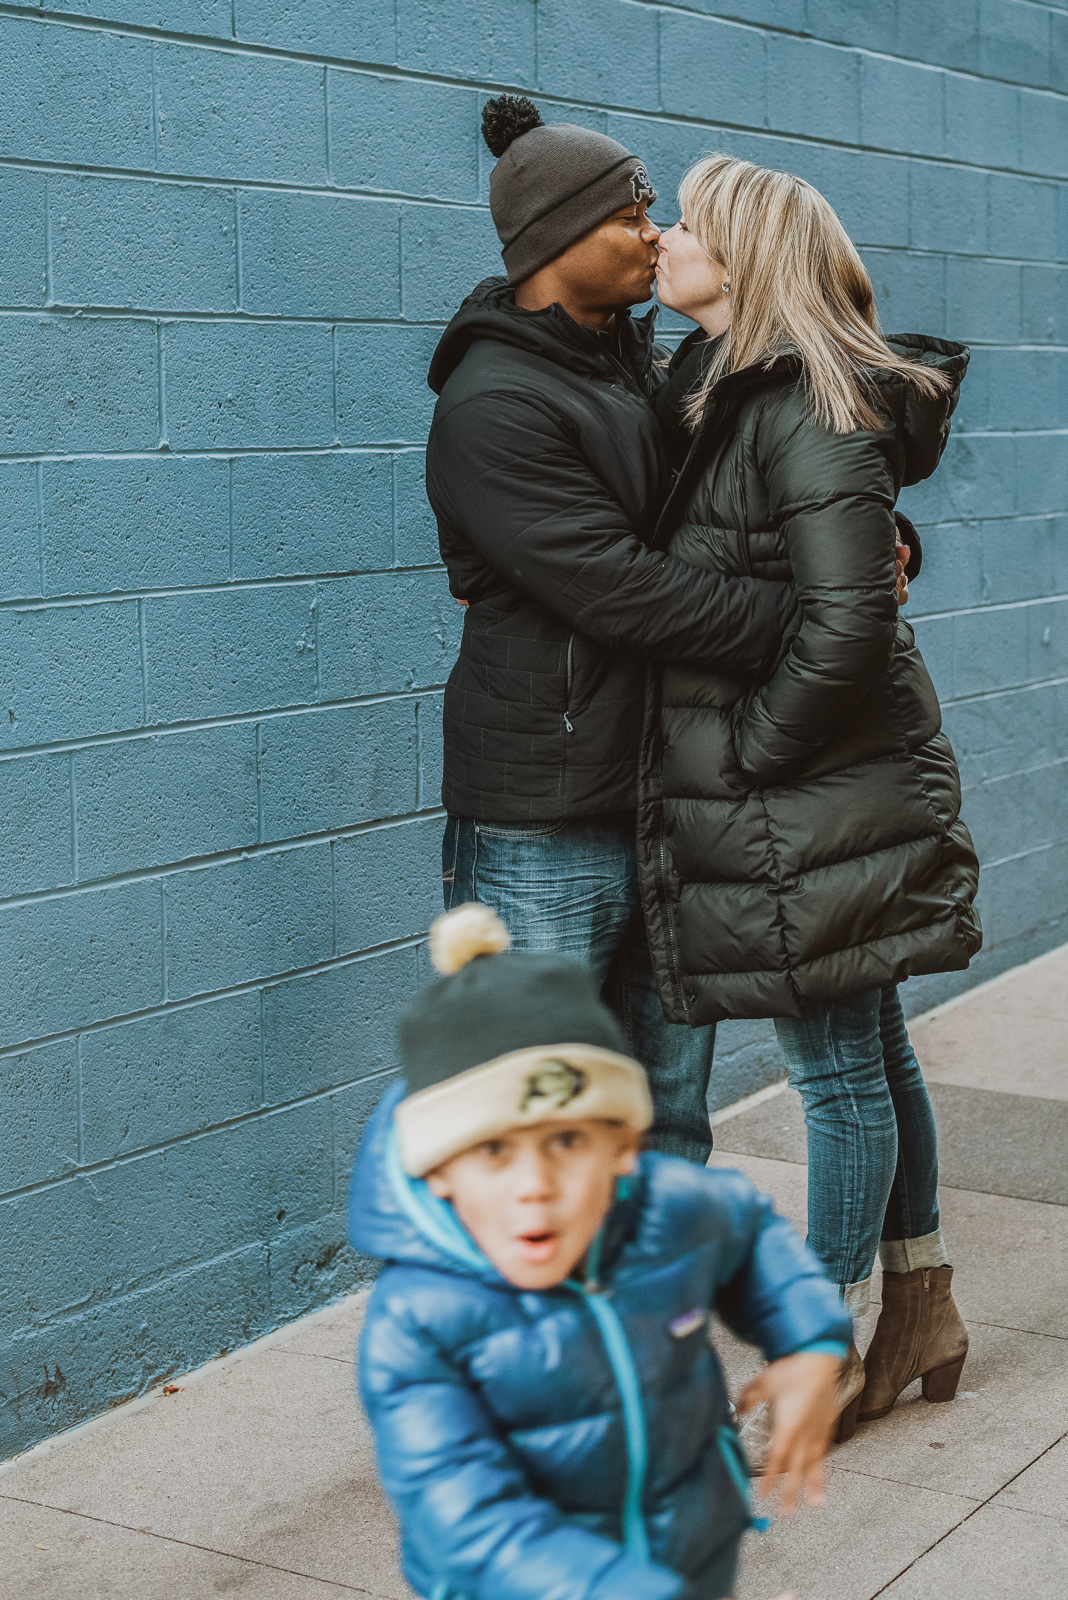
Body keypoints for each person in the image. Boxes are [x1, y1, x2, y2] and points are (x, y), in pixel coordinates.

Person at [426, 96, 907, 1167]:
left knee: (665, 1123)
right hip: (544, 817)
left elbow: (738, 491)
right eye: (632, 213)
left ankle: (652, 1327)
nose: (656, 231)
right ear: (556, 242)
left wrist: (878, 538)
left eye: (652, 210)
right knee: (541, 1122)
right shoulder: (494, 401)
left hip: (656, 798)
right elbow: (628, 590)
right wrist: (820, 613)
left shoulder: (635, 363)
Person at [643, 154, 980, 1435]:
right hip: (806, 785)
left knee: (832, 1074)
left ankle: (818, 1349)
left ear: (745, 256)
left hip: (803, 788)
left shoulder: (805, 402)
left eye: (688, 220)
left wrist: (752, 757)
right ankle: (923, 1303)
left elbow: (845, 624)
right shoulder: (722, 383)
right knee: (870, 1050)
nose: (665, 237)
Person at [349, 902, 853, 1600]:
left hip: (689, 1557)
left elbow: (753, 1231)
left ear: (620, 1148)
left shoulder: (663, 1206)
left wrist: (810, 1344)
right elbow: (467, 1524)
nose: (537, 1188)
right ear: (437, 1170)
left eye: (567, 1142)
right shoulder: (419, 1321)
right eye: (493, 1151)